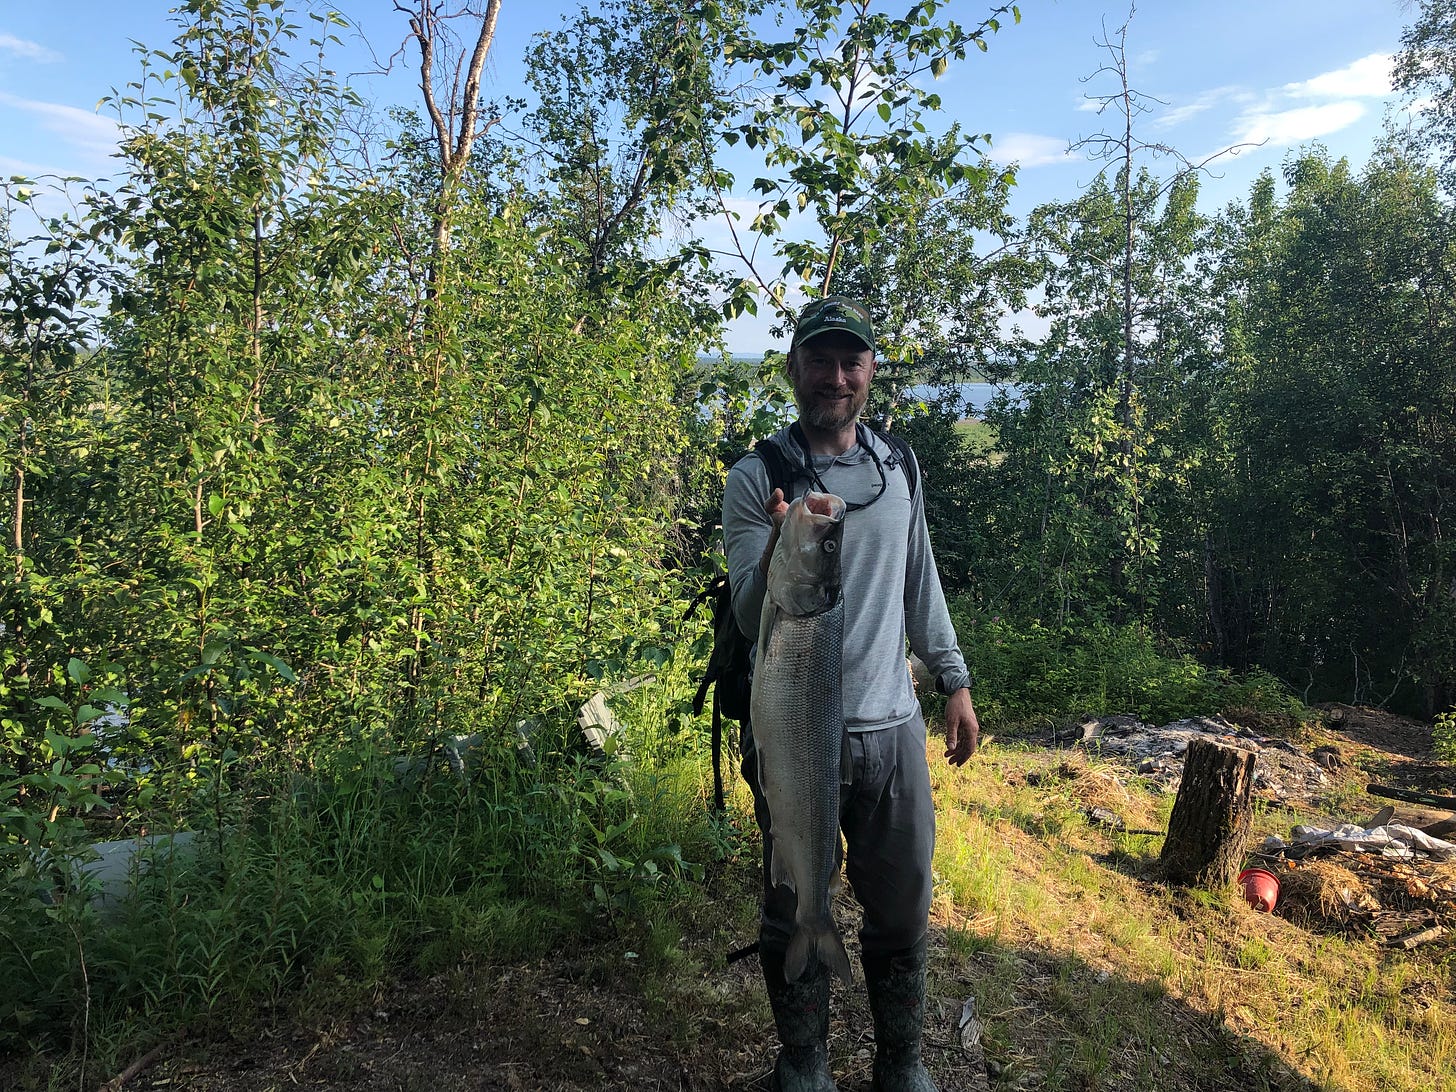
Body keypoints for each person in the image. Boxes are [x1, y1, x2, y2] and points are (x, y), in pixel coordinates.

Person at [721, 295, 981, 1092]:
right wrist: (775, 545)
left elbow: (919, 578)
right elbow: (747, 611)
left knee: (902, 907)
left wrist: (954, 678)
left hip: (892, 728)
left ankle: (901, 1065)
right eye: (820, 360)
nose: (836, 377)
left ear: (870, 372)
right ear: (794, 369)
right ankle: (804, 1068)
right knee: (793, 889)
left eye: (851, 361)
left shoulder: (897, 465)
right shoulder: (755, 477)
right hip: (797, 735)